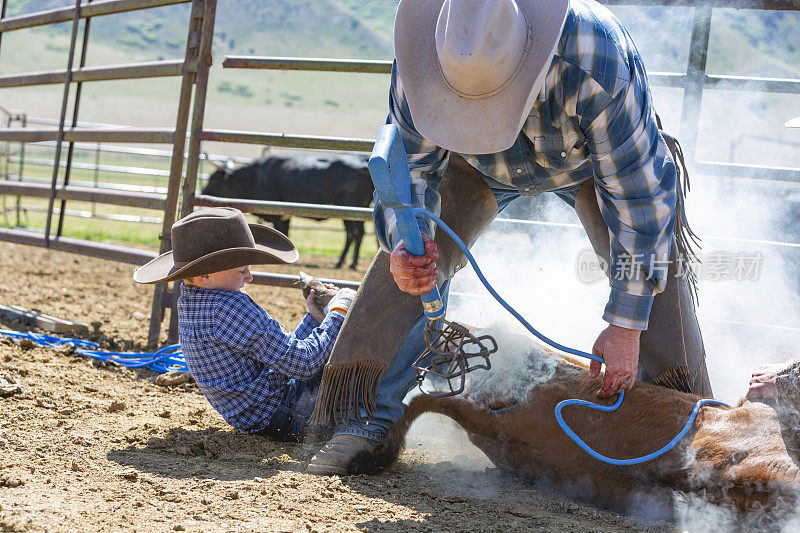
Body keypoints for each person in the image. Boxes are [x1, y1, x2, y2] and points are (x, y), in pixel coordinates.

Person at [308, 0, 713, 475]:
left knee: (655, 276)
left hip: (589, 167)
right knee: (409, 265)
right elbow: (410, 174)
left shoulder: (596, 57)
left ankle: (687, 426)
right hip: (472, 164)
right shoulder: (427, 50)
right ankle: (364, 418)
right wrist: (405, 245)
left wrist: (625, 324)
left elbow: (641, 203)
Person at [133, 207, 356, 441]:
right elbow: (302, 364)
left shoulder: (191, 300)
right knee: (361, 337)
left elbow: (280, 356)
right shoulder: (227, 306)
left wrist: (315, 319)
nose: (249, 277)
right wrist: (340, 310)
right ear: (205, 276)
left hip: (260, 415)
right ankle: (368, 428)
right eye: (241, 270)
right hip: (287, 410)